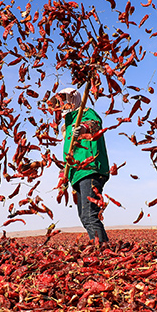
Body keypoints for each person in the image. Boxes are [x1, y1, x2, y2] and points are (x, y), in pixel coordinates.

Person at [52, 87, 110, 244]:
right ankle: (105, 247)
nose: (62, 104)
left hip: (89, 169)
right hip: (77, 174)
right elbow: (69, 157)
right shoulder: (67, 125)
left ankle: (101, 252)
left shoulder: (84, 112)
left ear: (73, 99)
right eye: (60, 102)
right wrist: (63, 177)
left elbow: (96, 124)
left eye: (64, 100)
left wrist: (84, 128)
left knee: (90, 214)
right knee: (85, 216)